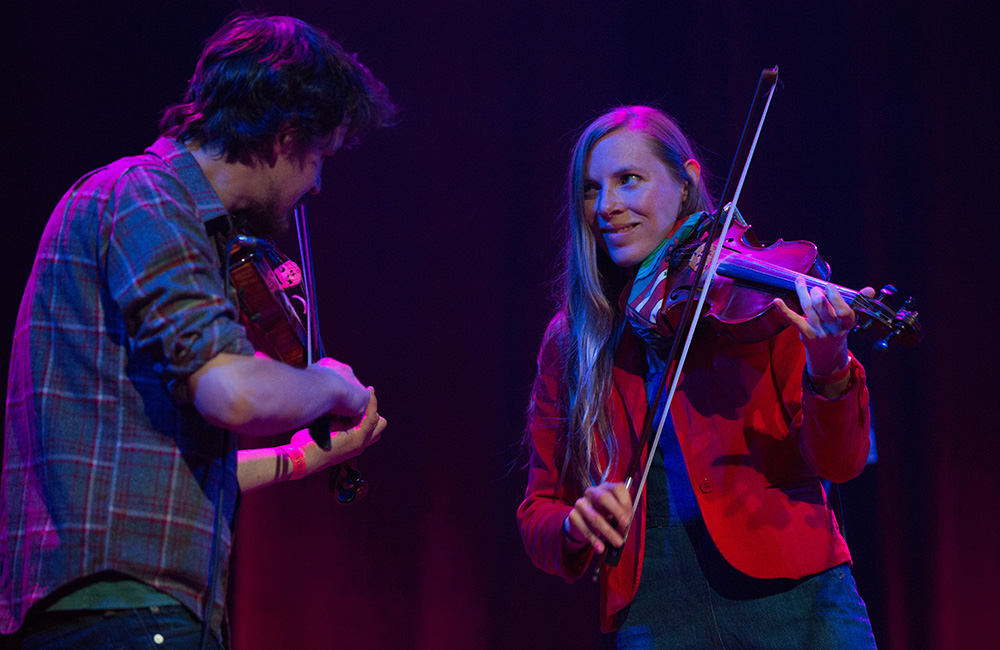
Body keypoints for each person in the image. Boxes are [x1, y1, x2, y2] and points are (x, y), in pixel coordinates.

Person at [1, 13, 396, 649]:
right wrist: (328, 385)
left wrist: (301, 459)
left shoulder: (163, 213)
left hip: (122, 607)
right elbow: (231, 391)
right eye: (318, 157)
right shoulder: (147, 199)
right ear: (283, 138)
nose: (318, 184)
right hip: (123, 613)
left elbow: (157, 470)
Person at [517, 106, 878, 649]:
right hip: (656, 613)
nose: (607, 207)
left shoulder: (756, 300)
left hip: (796, 598)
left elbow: (839, 463)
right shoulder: (573, 341)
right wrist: (574, 523)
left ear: (686, 183)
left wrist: (828, 364)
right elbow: (538, 511)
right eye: (591, 190)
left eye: (628, 181)